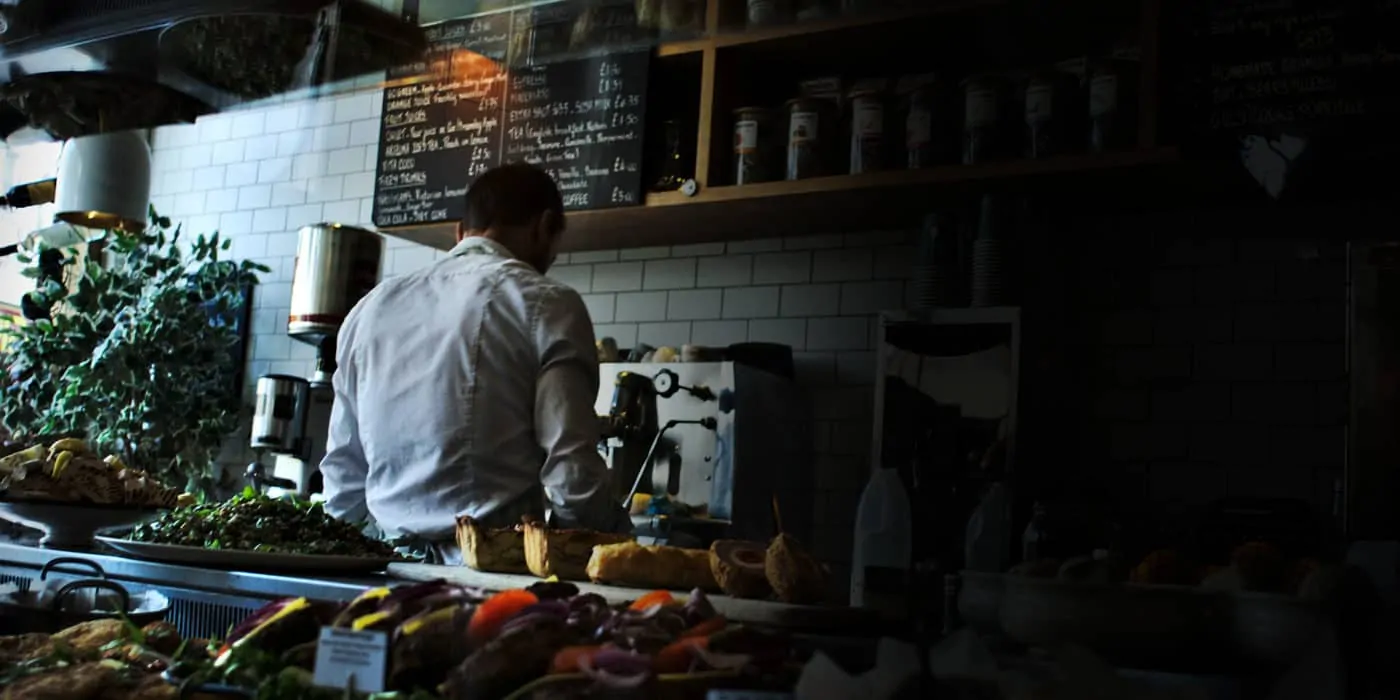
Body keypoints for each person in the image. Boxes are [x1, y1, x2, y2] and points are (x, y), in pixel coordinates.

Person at [319, 162, 631, 563]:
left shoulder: (371, 308)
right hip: (494, 572)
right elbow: (571, 471)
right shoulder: (548, 303)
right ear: (544, 227)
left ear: (460, 231)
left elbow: (344, 468)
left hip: (387, 568)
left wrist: (343, 562)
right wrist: (599, 545)